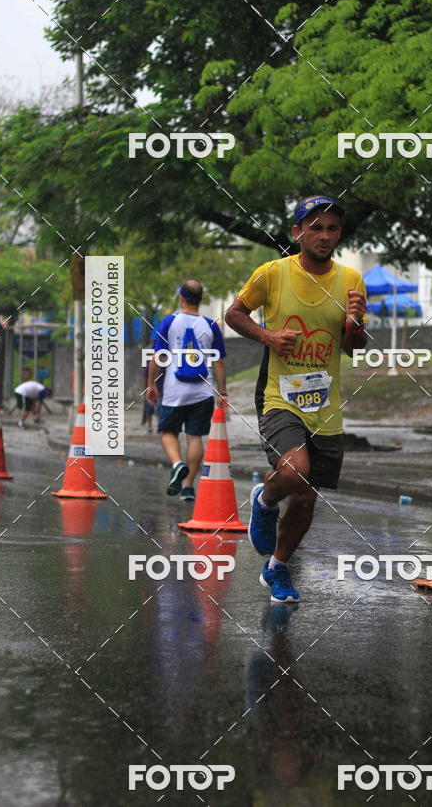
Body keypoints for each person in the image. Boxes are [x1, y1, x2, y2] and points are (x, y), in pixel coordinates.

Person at [225, 195, 367, 604]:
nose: (325, 236)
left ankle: (278, 568)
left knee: (306, 496)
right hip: (279, 395)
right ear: (298, 232)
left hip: (324, 405)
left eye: (333, 228)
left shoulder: (350, 280)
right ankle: (265, 499)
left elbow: (353, 347)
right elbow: (235, 314)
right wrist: (268, 337)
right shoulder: (272, 274)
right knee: (295, 472)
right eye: (316, 227)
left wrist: (355, 322)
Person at [146, 280, 228, 501]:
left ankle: (177, 463)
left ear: (181, 298)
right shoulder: (212, 326)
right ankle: (188, 486)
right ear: (200, 299)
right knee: (195, 437)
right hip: (202, 392)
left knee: (168, 433)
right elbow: (218, 362)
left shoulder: (169, 322)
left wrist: (151, 383)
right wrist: (222, 392)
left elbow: (158, 358)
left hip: (175, 392)